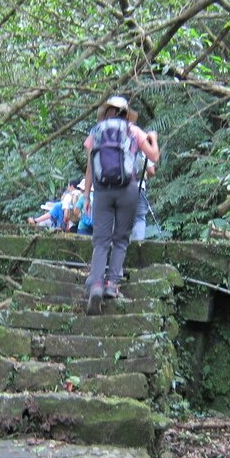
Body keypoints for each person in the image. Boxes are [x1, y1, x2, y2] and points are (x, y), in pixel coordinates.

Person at [83, 96, 160, 315]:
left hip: (102, 192)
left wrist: (87, 195)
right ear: (126, 113)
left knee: (100, 241)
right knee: (120, 239)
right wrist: (153, 138)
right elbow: (154, 156)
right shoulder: (133, 130)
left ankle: (96, 284)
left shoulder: (95, 132)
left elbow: (90, 167)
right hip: (127, 189)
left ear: (106, 112)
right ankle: (112, 284)